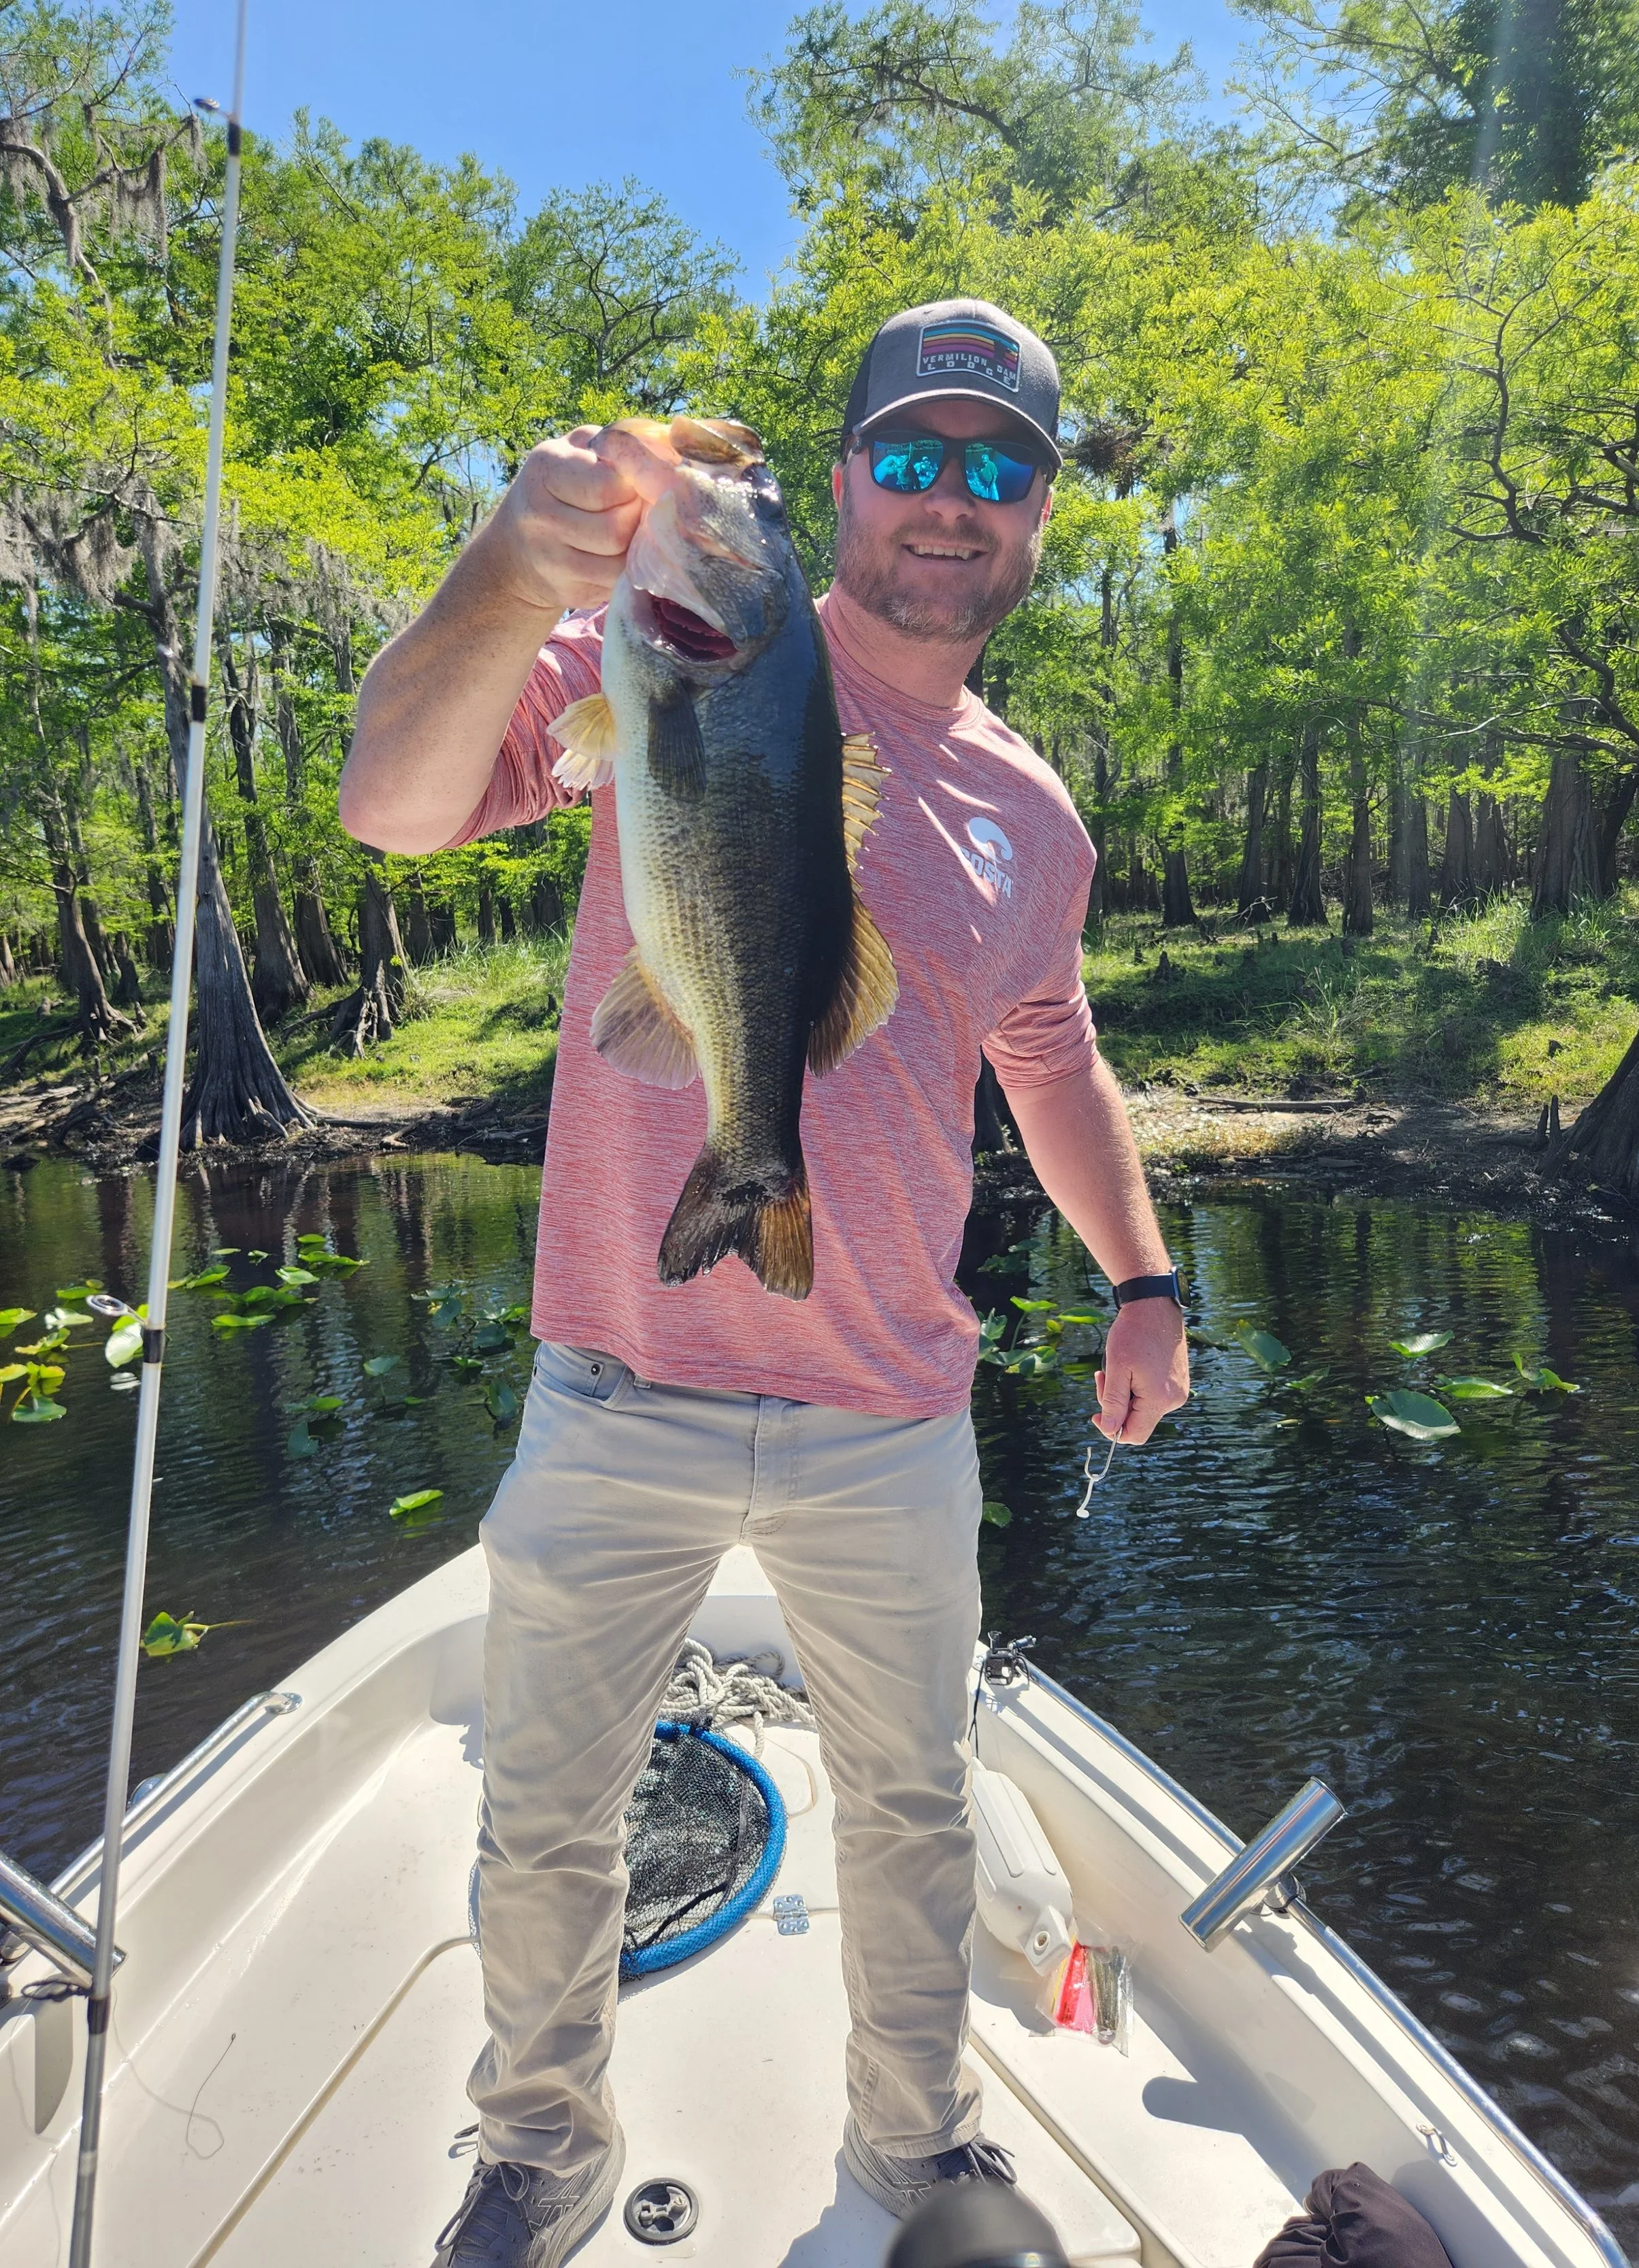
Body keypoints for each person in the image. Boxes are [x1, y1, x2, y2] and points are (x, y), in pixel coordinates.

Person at [341, 296, 1190, 2268]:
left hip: (891, 1402)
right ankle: (537, 2144)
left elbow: (1047, 1057)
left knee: (910, 1805)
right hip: (614, 1374)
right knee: (546, 1813)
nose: (950, 501)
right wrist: (506, 554)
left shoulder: (1031, 813)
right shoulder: (660, 660)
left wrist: (1142, 1279)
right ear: (836, 490)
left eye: (998, 466)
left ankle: (920, 2145)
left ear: (1040, 511)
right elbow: (391, 800)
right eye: (911, 455)